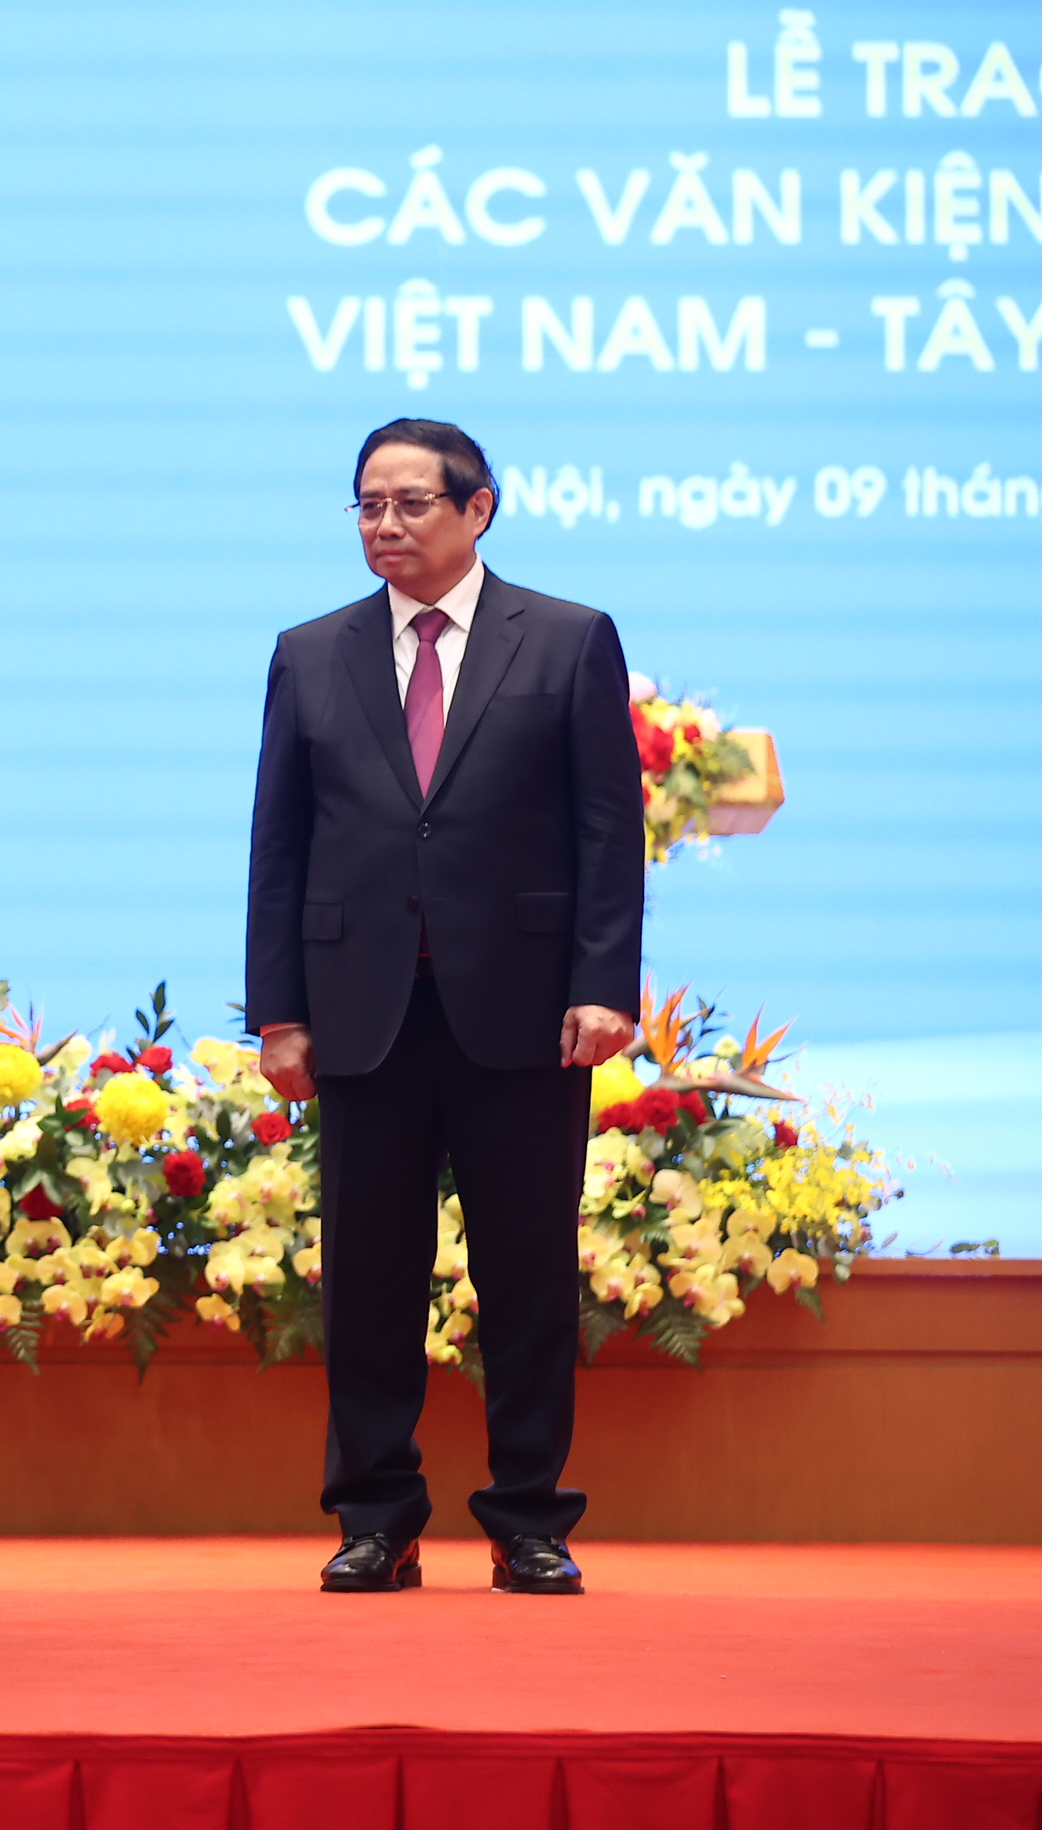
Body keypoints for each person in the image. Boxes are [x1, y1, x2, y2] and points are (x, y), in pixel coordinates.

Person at [246, 417, 642, 1597]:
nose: (384, 525)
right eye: (367, 504)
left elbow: (605, 831)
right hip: (361, 1010)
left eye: (409, 503)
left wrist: (601, 984)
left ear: (477, 509)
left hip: (520, 1011)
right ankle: (375, 1517)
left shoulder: (565, 640)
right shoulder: (309, 652)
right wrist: (278, 1010)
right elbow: (279, 843)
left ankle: (527, 1519)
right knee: (366, 1280)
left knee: (525, 1276)